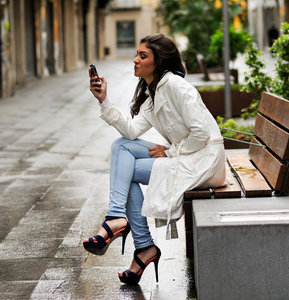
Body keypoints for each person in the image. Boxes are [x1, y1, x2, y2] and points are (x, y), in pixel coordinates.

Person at [83, 33, 226, 285]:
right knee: (122, 147)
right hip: (188, 155)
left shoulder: (176, 86)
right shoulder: (154, 93)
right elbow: (130, 131)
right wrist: (104, 100)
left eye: (143, 55)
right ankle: (127, 228)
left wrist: (169, 152)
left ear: (158, 61)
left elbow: (202, 133)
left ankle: (134, 237)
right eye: (137, 54)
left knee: (125, 171)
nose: (135, 60)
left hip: (204, 161)